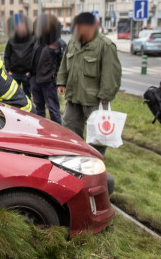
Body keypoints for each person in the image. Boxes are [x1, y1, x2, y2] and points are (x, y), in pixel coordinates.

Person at [56, 12, 121, 155]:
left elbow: (111, 72)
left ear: (92, 27)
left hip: (95, 98)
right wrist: (61, 81)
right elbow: (64, 63)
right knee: (69, 126)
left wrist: (106, 93)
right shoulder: (73, 41)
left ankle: (95, 159)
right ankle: (73, 155)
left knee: (98, 133)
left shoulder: (105, 45)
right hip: (74, 95)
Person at [30, 14, 66, 124]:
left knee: (53, 110)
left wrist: (58, 81)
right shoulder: (37, 40)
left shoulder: (59, 43)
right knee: (39, 109)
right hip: (35, 80)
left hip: (49, 82)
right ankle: (41, 132)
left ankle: (57, 135)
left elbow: (63, 64)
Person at [3, 15, 36, 97]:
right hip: (13, 73)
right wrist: (8, 70)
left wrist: (31, 71)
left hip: (26, 74)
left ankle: (26, 110)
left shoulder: (32, 40)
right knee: (13, 95)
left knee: (27, 95)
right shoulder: (11, 40)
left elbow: (35, 57)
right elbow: (6, 56)